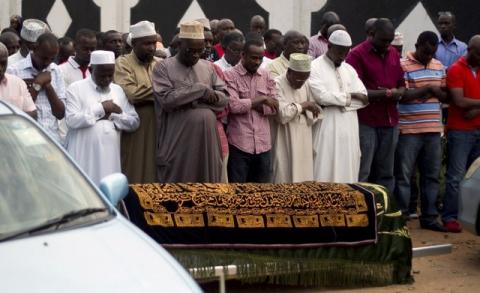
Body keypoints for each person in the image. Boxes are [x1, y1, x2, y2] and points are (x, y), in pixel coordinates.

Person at [152, 21, 229, 183]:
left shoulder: (208, 67)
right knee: (177, 187)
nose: (195, 55)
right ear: (179, 45)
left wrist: (191, 100)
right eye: (191, 50)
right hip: (177, 139)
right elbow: (167, 100)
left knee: (208, 187)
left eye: (199, 51)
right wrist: (199, 90)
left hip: (207, 141)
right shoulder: (162, 68)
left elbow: (223, 99)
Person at [395, 31, 448, 231]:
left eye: (432, 53)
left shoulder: (439, 66)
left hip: (433, 130)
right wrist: (430, 90)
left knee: (432, 176)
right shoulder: (402, 64)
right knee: (405, 176)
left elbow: (445, 95)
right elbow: (404, 96)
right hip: (409, 130)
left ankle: (429, 218)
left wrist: (427, 91)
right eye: (425, 52)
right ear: (416, 45)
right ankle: (401, 217)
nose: (428, 56)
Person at [346, 18, 405, 193]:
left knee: (387, 173)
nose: (387, 44)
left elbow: (402, 83)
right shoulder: (356, 54)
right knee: (363, 171)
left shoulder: (393, 52)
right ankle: (362, 214)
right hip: (367, 122)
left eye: (390, 40)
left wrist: (399, 92)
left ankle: (385, 213)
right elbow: (356, 91)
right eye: (383, 40)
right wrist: (386, 93)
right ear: (371, 34)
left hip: (390, 121)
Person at [65, 50, 139, 185]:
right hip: (83, 155)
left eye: (110, 75)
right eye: (101, 75)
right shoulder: (75, 88)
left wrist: (114, 116)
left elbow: (134, 122)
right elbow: (71, 120)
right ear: (90, 69)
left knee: (108, 194)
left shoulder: (117, 90)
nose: (106, 80)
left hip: (110, 157)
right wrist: (101, 108)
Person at [310, 30, 368, 183]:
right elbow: (321, 96)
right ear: (329, 46)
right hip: (326, 128)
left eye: (346, 52)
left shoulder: (349, 69)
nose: (343, 56)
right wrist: (350, 97)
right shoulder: (315, 67)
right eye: (339, 51)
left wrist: (339, 100)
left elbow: (363, 98)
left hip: (349, 131)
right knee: (324, 168)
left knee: (348, 169)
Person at [224, 37, 278, 183]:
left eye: (260, 58)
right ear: (243, 55)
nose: (257, 62)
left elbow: (275, 107)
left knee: (262, 195)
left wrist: (249, 104)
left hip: (263, 145)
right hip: (239, 145)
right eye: (253, 58)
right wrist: (262, 99)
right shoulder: (229, 75)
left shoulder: (266, 75)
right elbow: (233, 106)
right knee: (238, 194)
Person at [441, 35, 480, 232]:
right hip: (460, 131)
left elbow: (469, 103)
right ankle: (450, 216)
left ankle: (469, 216)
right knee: (456, 176)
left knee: (475, 178)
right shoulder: (456, 69)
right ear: (470, 50)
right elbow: (460, 102)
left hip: (478, 129)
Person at [114, 21, 159, 184]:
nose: (152, 48)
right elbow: (132, 94)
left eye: (153, 43)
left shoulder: (158, 64)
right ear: (134, 43)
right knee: (134, 171)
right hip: (134, 129)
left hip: (158, 127)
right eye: (147, 43)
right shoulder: (123, 63)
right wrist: (161, 90)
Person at [8, 32, 66, 143]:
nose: (47, 63)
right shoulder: (14, 70)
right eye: (44, 58)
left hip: (52, 140)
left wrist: (48, 86)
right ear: (34, 48)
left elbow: (60, 114)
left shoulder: (56, 70)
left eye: (52, 59)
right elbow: (17, 112)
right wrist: (37, 85)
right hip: (26, 140)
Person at [273, 53, 321, 183]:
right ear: (289, 71)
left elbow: (315, 111)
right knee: (284, 176)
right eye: (298, 80)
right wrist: (303, 106)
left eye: (304, 80)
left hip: (304, 138)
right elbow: (282, 115)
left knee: (304, 180)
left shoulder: (305, 84)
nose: (300, 84)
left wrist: (303, 109)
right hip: (285, 138)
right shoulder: (276, 84)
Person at [0, 43, 36, 118]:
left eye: (3, 63)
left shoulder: (18, 83)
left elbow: (32, 113)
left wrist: (12, 121)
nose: (0, 68)